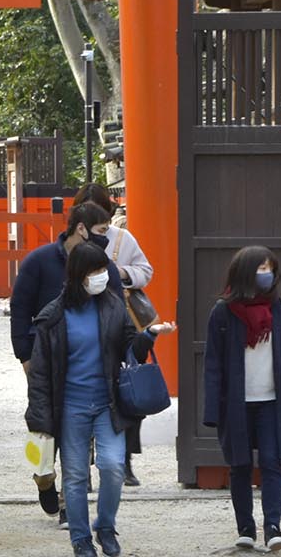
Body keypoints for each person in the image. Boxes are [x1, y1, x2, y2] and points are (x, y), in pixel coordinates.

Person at [26, 243, 175, 557]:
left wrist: (149, 335)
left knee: (112, 466)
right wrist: (39, 418)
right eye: (94, 272)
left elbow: (127, 347)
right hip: (70, 407)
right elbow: (40, 373)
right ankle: (80, 539)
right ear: (79, 274)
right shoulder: (53, 316)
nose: (100, 277)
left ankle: (105, 525)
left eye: (102, 271)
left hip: (107, 402)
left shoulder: (112, 305)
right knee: (76, 475)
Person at [11, 201, 124, 517]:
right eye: (101, 231)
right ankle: (44, 479)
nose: (105, 238)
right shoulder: (40, 261)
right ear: (81, 228)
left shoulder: (104, 268)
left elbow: (118, 313)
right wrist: (24, 355)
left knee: (80, 435)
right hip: (45, 358)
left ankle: (69, 503)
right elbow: (20, 310)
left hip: (89, 364)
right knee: (44, 426)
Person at [203, 246, 281, 552]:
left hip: (271, 400)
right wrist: (212, 409)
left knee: (273, 462)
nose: (267, 274)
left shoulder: (280, 310)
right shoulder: (223, 312)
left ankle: (273, 527)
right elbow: (213, 364)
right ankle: (245, 528)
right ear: (245, 273)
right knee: (240, 464)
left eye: (270, 268)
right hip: (236, 402)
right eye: (260, 268)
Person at [79, 183, 154, 486]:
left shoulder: (122, 239)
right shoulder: (73, 239)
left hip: (120, 321)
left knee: (127, 388)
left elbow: (145, 270)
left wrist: (120, 273)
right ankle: (83, 459)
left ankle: (124, 459)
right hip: (83, 321)